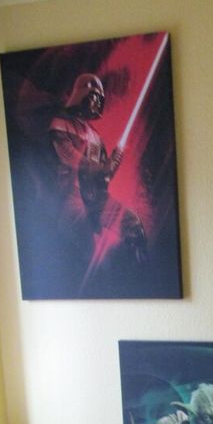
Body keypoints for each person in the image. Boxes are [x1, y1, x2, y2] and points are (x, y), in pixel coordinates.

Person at [48, 73, 147, 292]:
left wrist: (115, 159)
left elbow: (104, 177)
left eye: (99, 99)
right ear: (81, 95)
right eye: (93, 97)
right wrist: (104, 166)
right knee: (88, 256)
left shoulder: (94, 136)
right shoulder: (60, 124)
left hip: (95, 198)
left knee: (133, 225)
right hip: (71, 196)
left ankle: (141, 284)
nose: (96, 103)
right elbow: (71, 159)